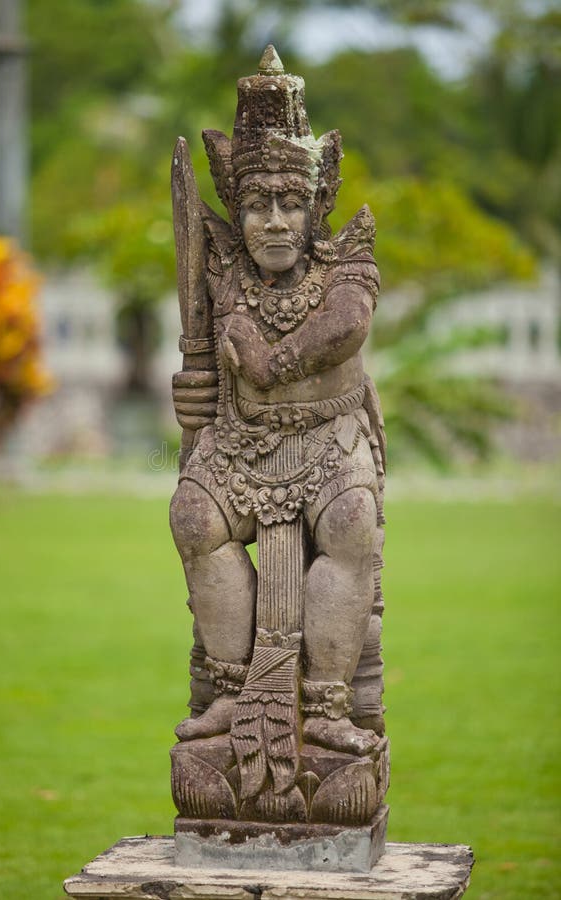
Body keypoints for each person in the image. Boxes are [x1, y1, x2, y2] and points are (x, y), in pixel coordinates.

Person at [170, 46, 386, 801]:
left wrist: (271, 360)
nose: (272, 221)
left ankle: (326, 703)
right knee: (195, 517)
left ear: (317, 203)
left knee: (354, 525)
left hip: (329, 443)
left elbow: (346, 327)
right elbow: (201, 366)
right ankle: (232, 690)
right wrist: (193, 397)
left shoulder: (346, 263)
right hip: (239, 446)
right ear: (235, 206)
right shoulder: (219, 269)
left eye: (290, 204)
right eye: (256, 203)